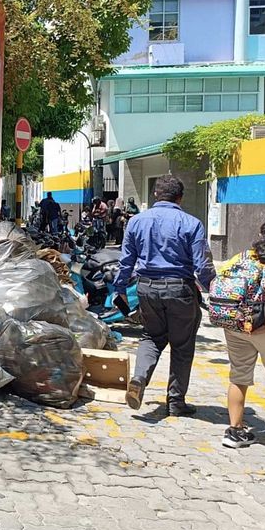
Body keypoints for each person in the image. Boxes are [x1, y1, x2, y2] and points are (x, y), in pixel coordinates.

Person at [114, 176, 216, 416]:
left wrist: (120, 290)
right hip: (180, 290)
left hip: (146, 289)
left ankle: (139, 378)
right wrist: (214, 291)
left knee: (151, 337)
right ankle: (176, 402)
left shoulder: (136, 222)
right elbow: (202, 266)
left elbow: (126, 261)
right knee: (182, 345)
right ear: (180, 198)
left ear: (155, 195)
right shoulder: (192, 223)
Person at [215, 222, 265, 448]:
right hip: (264, 328)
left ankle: (235, 432)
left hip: (236, 324)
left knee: (239, 377)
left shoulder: (243, 257)